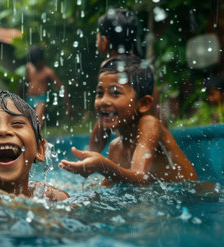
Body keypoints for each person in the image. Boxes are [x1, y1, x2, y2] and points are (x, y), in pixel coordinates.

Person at [59, 56, 197, 185]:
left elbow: (140, 177)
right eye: (100, 93)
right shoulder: (116, 147)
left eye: (115, 93)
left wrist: (102, 166)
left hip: (193, 197)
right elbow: (106, 188)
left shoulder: (150, 124)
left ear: (143, 103)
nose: (103, 101)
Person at [90, 8, 163, 152]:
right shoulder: (137, 67)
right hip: (153, 141)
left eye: (97, 36)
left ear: (104, 41)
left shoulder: (109, 70)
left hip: (142, 143)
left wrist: (89, 156)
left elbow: (102, 128)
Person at [25, 46, 70, 127]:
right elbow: (27, 81)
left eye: (37, 63)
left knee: (38, 121)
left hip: (40, 99)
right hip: (29, 98)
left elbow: (61, 87)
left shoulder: (48, 72)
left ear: (43, 60)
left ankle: (37, 137)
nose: (35, 65)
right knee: (27, 121)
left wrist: (67, 105)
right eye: (33, 63)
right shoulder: (29, 68)